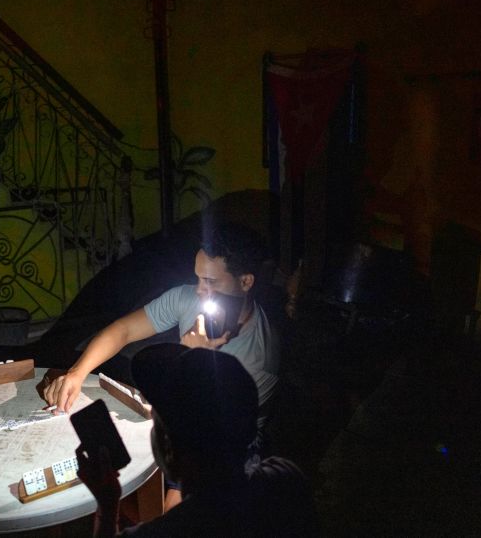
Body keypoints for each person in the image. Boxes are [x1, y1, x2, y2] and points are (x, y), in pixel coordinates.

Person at [44, 222, 280, 419]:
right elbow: (123, 330)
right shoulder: (186, 297)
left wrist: (194, 360)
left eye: (210, 281)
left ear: (246, 282)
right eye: (198, 278)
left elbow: (207, 432)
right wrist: (77, 372)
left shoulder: (260, 357)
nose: (199, 290)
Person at [76, 344, 315, 537]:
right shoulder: (285, 479)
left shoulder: (168, 532)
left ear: (168, 449)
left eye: (156, 420)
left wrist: (107, 508)